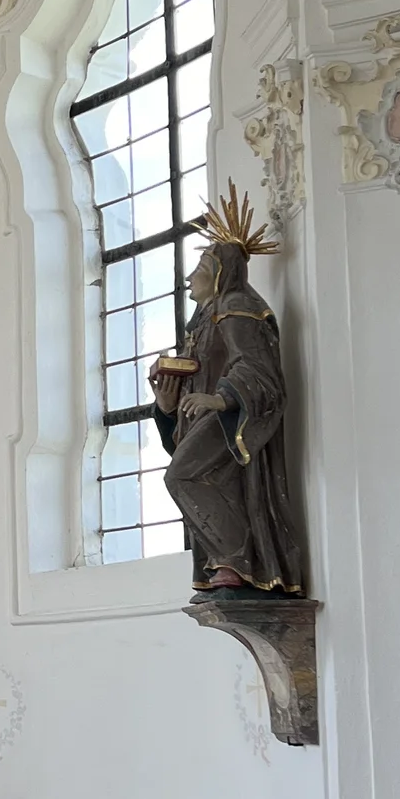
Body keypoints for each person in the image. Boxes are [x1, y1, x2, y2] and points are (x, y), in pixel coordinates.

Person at [147, 185, 305, 594]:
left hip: (229, 414)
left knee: (181, 476)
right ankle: (230, 563)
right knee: (192, 477)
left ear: (220, 273)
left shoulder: (239, 308)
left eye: (197, 270)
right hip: (214, 415)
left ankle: (238, 559)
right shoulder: (202, 322)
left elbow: (258, 368)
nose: (189, 278)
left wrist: (220, 397)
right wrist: (167, 406)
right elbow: (195, 380)